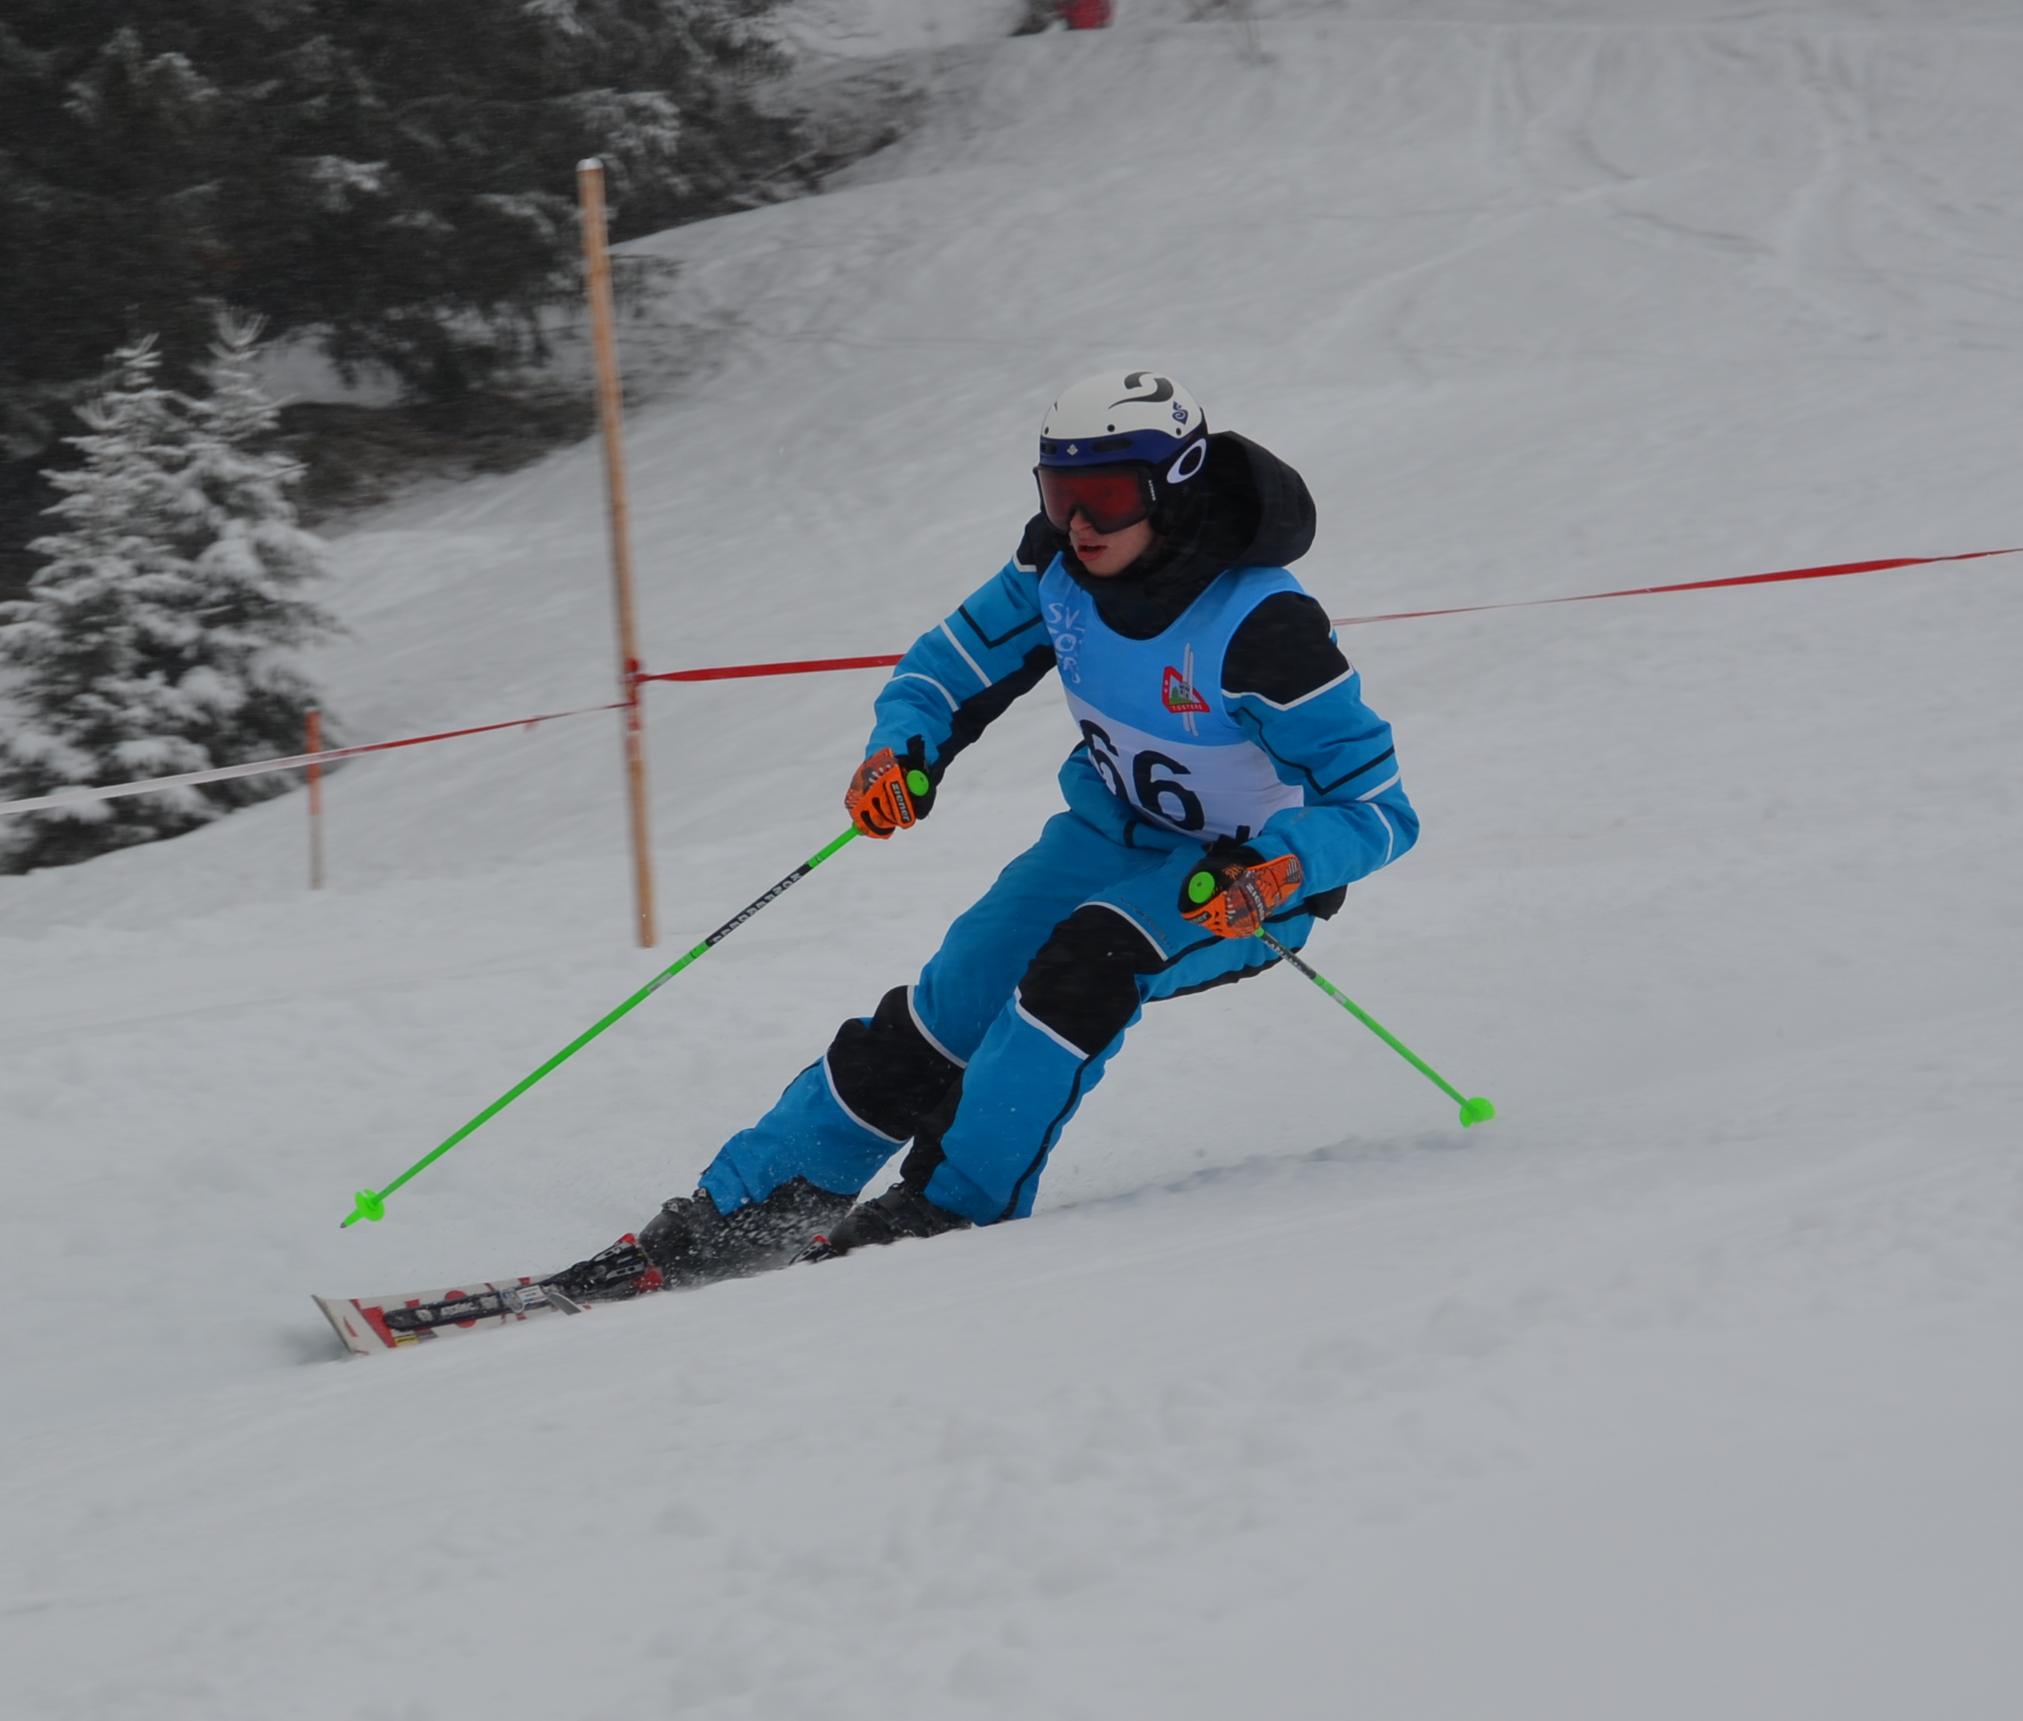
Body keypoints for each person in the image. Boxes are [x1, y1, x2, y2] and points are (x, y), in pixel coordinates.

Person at [552, 369, 1418, 1294]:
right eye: (1059, 492)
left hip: (1235, 883)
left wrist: (1281, 869)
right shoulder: (1056, 571)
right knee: (950, 1007)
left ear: (1175, 483)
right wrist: (900, 751)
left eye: (1106, 495)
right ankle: (756, 1205)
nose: (1079, 523)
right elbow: (943, 670)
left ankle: (950, 1210)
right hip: (1107, 833)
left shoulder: (1264, 628)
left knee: (1086, 965)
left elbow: (1378, 809)